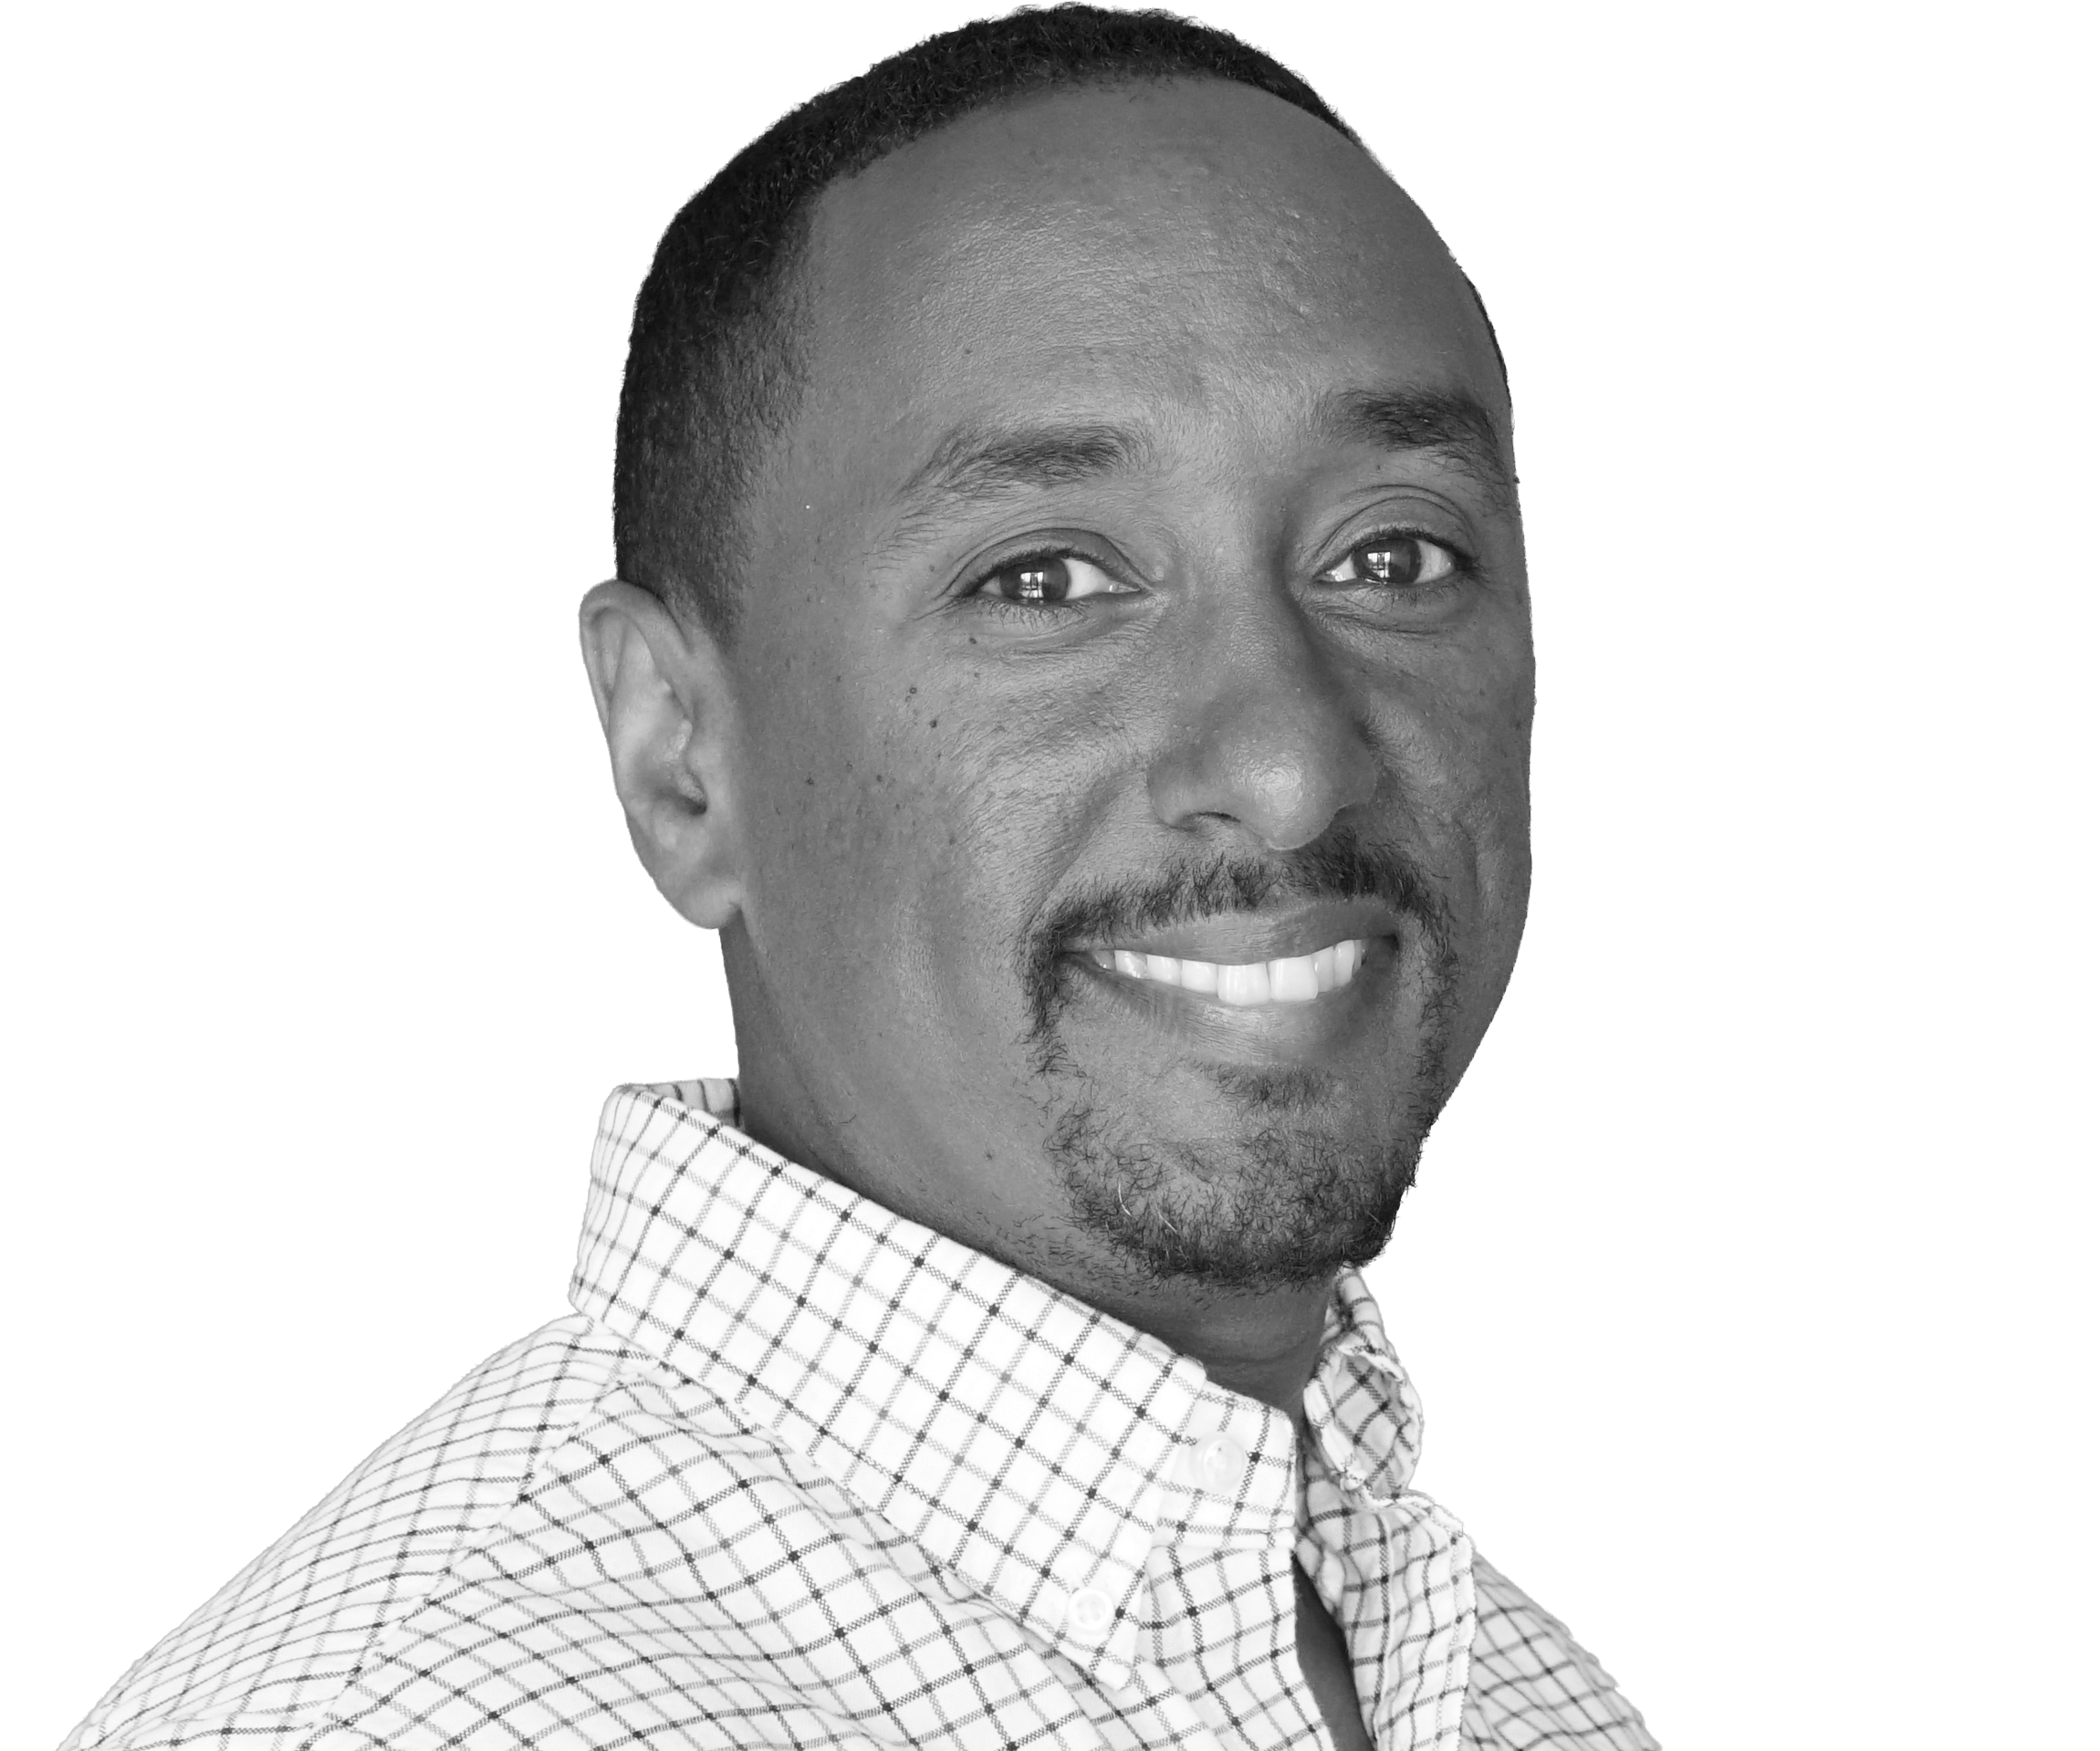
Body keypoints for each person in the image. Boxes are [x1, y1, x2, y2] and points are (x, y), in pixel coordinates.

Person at [63, 8, 1655, 1748]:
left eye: (1393, 553)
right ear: (681, 754)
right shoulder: (407, 1721)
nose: (1285, 763)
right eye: (1046, 581)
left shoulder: (1516, 1692)